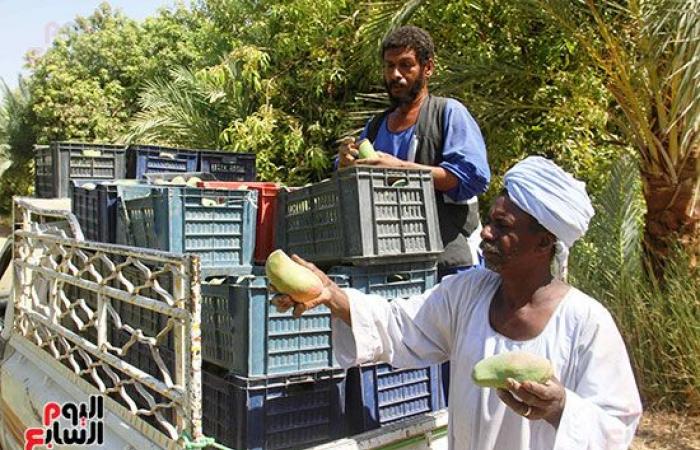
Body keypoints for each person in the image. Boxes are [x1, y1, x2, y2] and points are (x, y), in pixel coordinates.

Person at [275, 156, 643, 450]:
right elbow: (402, 324)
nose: (486, 231)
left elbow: (617, 425)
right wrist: (332, 295)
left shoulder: (586, 323)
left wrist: (560, 407)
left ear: (544, 243)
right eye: (490, 220)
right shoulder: (468, 292)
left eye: (502, 226)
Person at [337, 25, 491, 279]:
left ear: (427, 67)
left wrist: (397, 168)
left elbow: (469, 178)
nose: (395, 74)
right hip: (390, 267)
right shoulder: (374, 128)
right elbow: (352, 188)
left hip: (448, 266)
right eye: (389, 66)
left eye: (406, 65)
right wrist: (345, 164)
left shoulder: (447, 113)